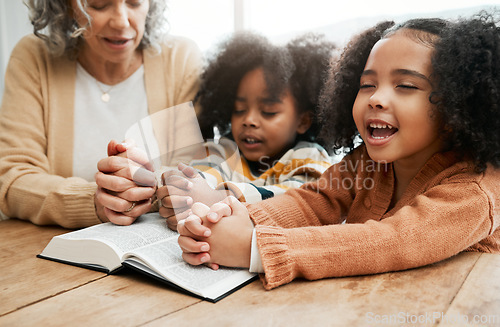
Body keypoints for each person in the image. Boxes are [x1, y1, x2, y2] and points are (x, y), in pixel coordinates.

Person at [176, 13, 500, 290]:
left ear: (459, 106)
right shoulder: (365, 164)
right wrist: (233, 220)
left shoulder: (474, 190)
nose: (376, 98)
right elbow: (314, 200)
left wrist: (254, 246)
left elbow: (393, 242)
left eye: (406, 86)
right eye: (367, 84)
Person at [0, 0, 203, 228]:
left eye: (135, 3)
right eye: (99, 5)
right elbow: (11, 179)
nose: (121, 21)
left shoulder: (181, 58)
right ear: (65, 7)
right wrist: (95, 201)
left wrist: (158, 193)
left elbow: (198, 171)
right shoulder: (34, 57)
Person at [156, 32, 338, 230]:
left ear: (303, 121)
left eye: (268, 111)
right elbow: (204, 174)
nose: (248, 120)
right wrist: (184, 191)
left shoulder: (310, 156)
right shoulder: (224, 150)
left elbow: (298, 200)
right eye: (239, 110)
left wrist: (220, 197)